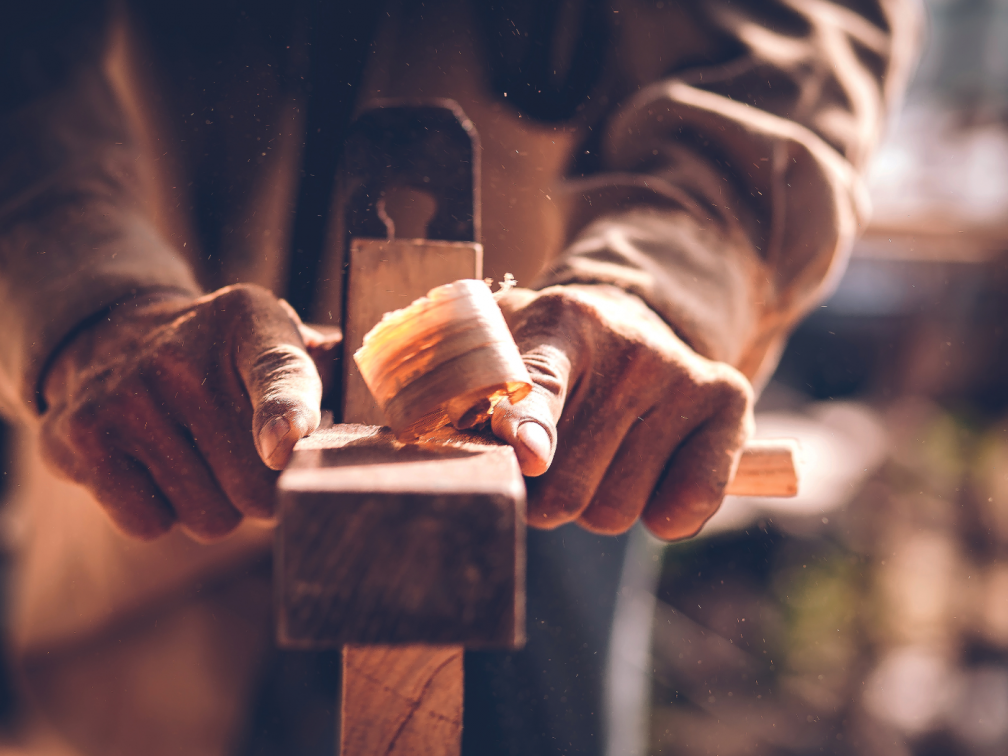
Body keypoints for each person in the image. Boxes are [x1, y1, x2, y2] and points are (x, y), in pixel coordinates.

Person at [0, 1, 921, 753]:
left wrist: (669, 274)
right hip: (162, 445)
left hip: (560, 440)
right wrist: (82, 295)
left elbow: (799, 28)